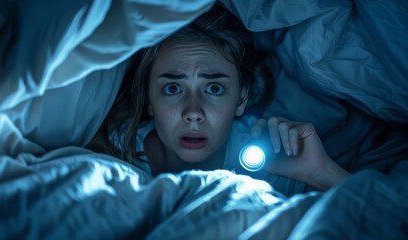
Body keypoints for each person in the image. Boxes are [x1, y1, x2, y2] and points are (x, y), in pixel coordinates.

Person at [89, 4, 350, 195]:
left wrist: (320, 173)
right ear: (149, 100)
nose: (193, 112)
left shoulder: (274, 164)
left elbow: (382, 221)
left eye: (214, 88)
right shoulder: (115, 151)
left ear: (241, 99)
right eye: (172, 88)